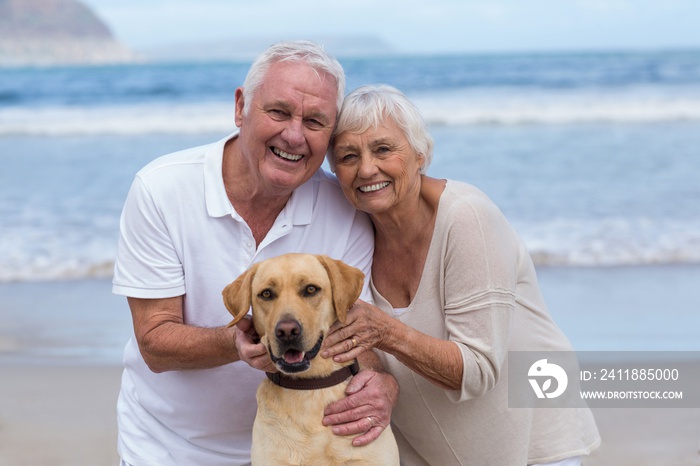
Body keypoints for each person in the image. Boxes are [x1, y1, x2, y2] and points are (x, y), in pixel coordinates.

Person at [112, 41, 398, 466]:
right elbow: (154, 342)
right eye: (279, 112)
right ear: (241, 107)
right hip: (170, 450)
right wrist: (237, 341)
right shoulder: (162, 190)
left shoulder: (344, 206)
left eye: (315, 121)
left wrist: (384, 384)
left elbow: (354, 328)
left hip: (309, 447)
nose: (294, 135)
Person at [321, 84, 601, 466]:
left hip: (533, 448)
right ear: (335, 172)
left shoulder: (467, 218)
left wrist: (385, 330)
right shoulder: (352, 234)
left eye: (384, 149)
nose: (367, 168)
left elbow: (478, 369)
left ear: (420, 154)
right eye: (348, 156)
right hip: (431, 452)